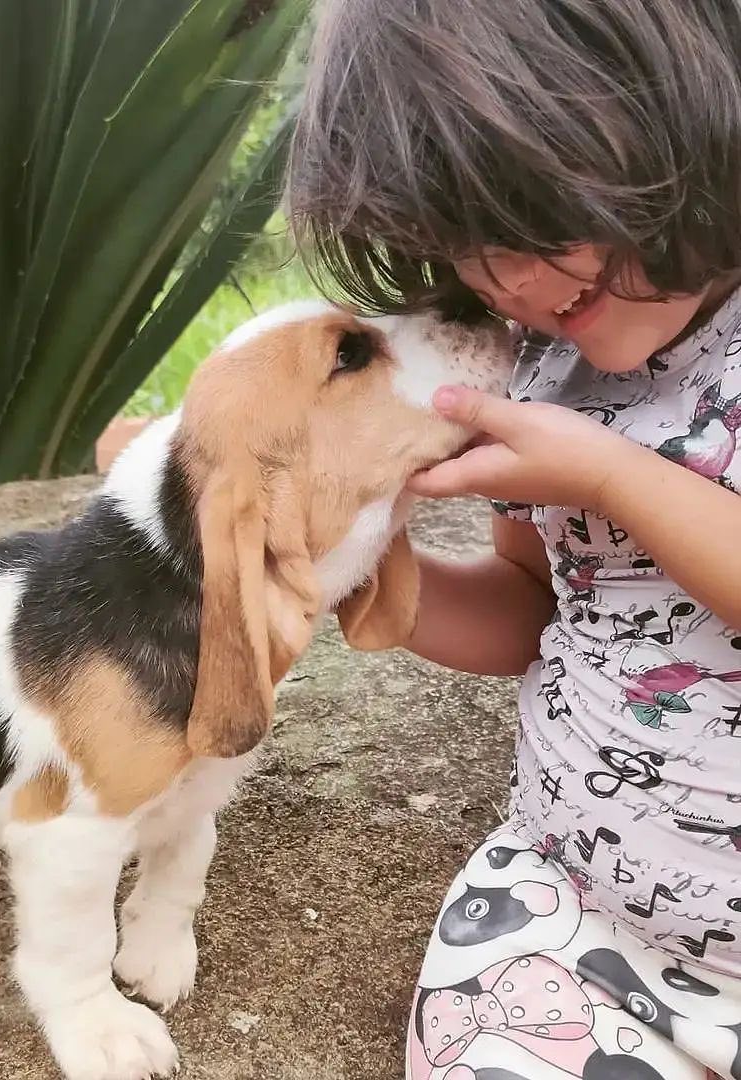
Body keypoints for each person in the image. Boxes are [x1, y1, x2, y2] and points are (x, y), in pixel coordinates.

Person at [287, 2, 741, 1077]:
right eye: (461, 249)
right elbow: (530, 607)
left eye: (534, 215)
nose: (508, 286)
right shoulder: (545, 371)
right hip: (586, 929)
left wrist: (606, 473)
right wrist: (346, 572)